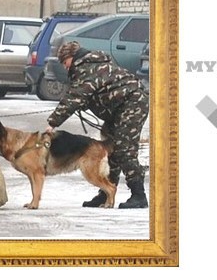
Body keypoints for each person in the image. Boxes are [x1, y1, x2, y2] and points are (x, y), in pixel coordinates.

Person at [45, 41, 149, 209]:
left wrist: (53, 122)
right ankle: (106, 192)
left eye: (65, 62)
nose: (65, 67)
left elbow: (74, 97)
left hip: (132, 104)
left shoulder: (87, 68)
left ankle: (139, 195)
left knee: (124, 149)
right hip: (118, 108)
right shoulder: (89, 65)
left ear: (72, 57)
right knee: (110, 150)